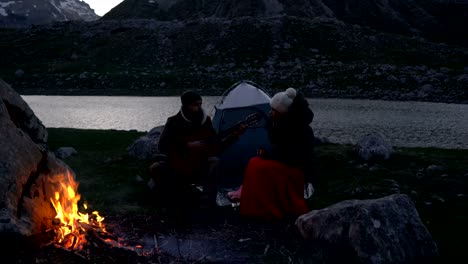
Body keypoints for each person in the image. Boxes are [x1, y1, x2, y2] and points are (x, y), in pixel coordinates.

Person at [151, 91, 244, 211]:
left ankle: (207, 206)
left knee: (214, 161)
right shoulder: (173, 121)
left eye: (200, 104)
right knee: (156, 168)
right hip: (177, 164)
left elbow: (215, 147)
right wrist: (186, 146)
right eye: (195, 105)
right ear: (185, 106)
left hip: (199, 164)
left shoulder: (205, 121)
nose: (199, 108)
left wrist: (234, 136)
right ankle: (169, 204)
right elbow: (162, 146)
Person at [238, 87, 315, 221]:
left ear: (282, 111)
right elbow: (278, 145)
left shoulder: (297, 127)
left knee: (257, 166)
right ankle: (257, 206)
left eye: (273, 110)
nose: (271, 112)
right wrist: (271, 125)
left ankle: (265, 208)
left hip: (295, 167)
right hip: (286, 162)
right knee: (254, 162)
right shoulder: (283, 122)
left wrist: (267, 155)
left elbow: (291, 154)